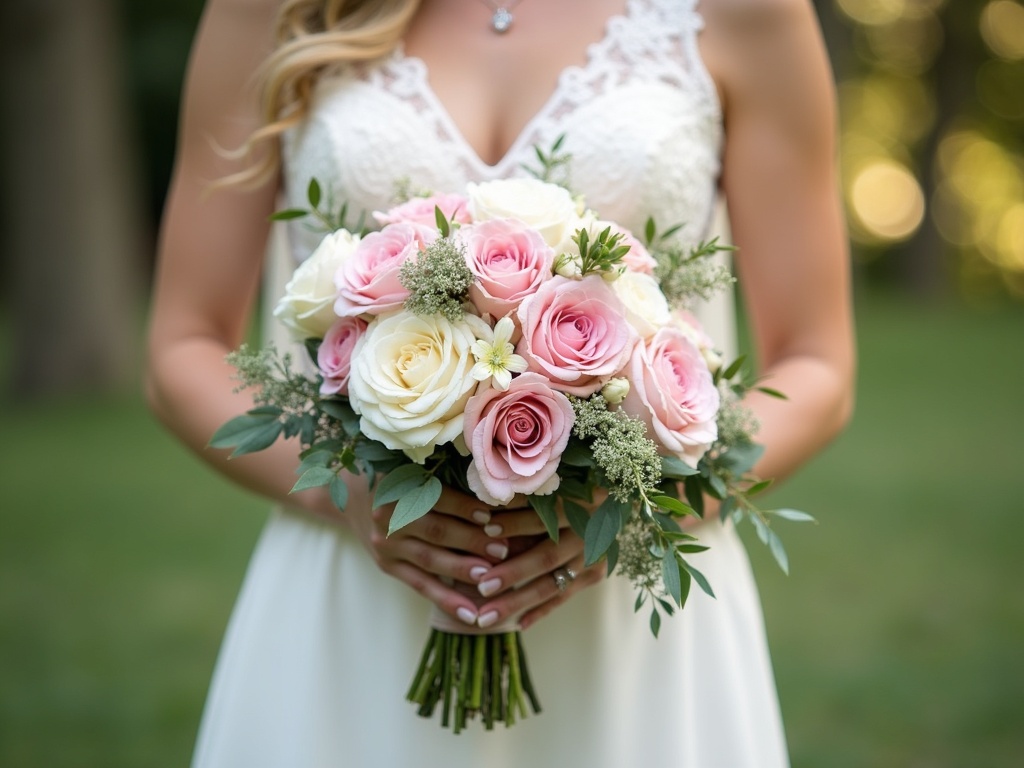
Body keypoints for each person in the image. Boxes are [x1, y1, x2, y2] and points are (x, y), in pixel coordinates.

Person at [146, 0, 855, 765]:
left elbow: (817, 364)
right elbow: (182, 345)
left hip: (632, 628)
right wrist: (339, 490)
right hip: (354, 591)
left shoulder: (748, 12)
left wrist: (633, 505)